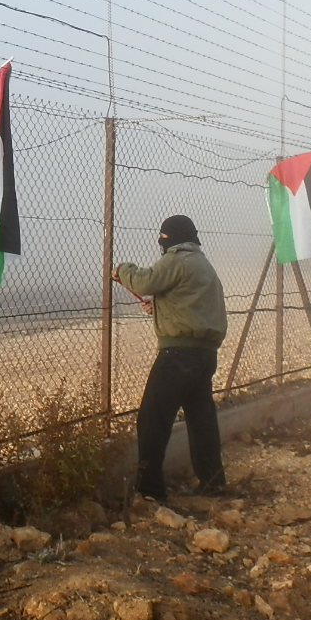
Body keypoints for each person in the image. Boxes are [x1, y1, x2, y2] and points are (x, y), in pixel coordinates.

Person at [111, 214, 228, 504]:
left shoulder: (178, 258)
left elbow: (144, 281)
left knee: (153, 418)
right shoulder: (203, 265)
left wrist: (122, 270)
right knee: (201, 420)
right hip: (204, 355)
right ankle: (213, 483)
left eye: (163, 239)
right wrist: (161, 307)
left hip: (178, 355)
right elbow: (189, 303)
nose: (161, 244)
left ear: (170, 238)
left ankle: (150, 490)